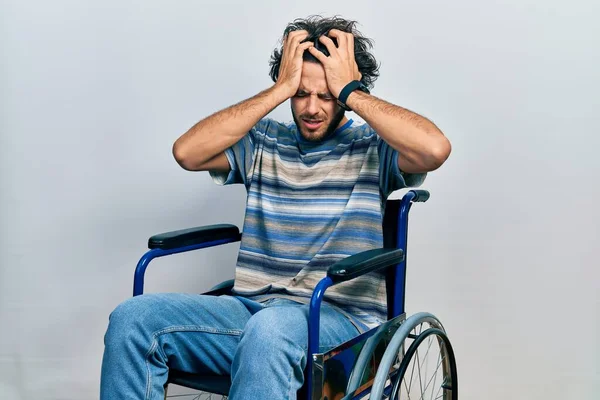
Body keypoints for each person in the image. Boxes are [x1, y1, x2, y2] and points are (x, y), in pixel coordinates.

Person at [100, 15, 451, 400]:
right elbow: (186, 153)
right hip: (250, 312)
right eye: (301, 93)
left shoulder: (372, 147)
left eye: (327, 94)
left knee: (271, 330)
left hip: (339, 323)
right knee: (131, 321)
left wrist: (350, 90)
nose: (312, 107)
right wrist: (280, 88)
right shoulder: (264, 142)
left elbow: (434, 150)